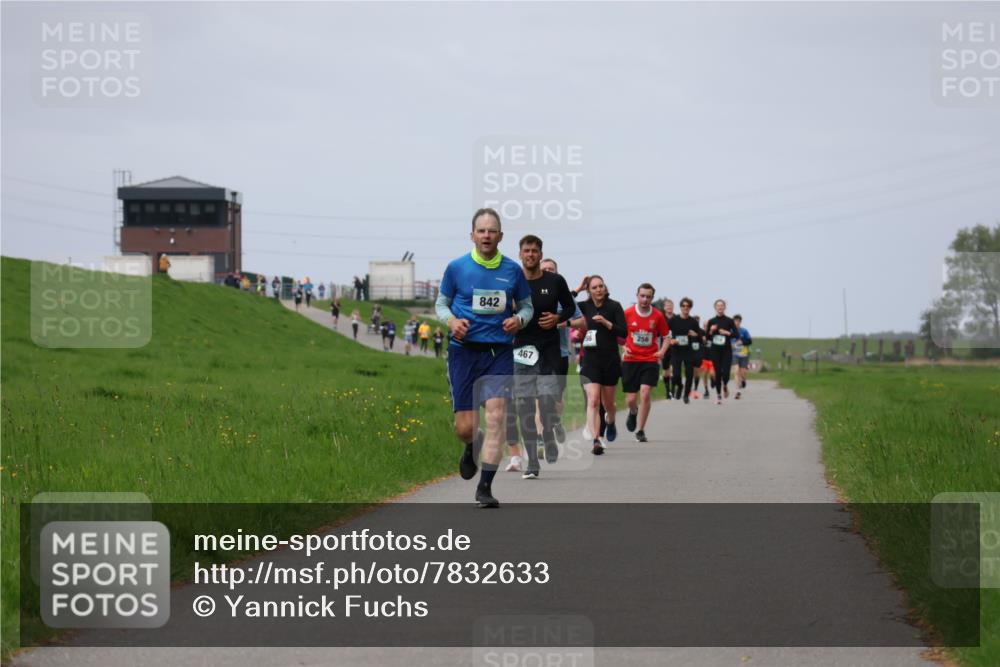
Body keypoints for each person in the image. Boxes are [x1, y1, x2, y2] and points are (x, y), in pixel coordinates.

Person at [435, 208, 532, 508]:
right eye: (481, 231)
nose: (487, 235)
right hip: (464, 353)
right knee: (465, 427)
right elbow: (441, 305)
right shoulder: (456, 268)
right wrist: (451, 322)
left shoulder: (513, 271)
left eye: (492, 231)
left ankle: (485, 488)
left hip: (498, 353)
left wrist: (520, 320)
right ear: (472, 235)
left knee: (496, 417)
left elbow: (527, 307)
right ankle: (470, 445)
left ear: (500, 236)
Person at [510, 235, 577, 479]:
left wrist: (558, 319)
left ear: (540, 254)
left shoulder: (555, 280)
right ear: (520, 254)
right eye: (526, 251)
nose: (530, 255)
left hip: (549, 350)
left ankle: (548, 431)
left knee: (547, 399)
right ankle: (532, 464)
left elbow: (569, 306)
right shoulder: (512, 281)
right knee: (525, 405)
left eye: (534, 251)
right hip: (523, 349)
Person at [578, 275, 627, 455]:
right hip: (590, 360)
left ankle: (611, 421)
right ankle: (596, 439)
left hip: (610, 359)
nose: (598, 290)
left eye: (601, 286)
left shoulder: (614, 306)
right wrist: (577, 288)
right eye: (594, 287)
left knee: (608, 404)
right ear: (589, 291)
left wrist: (607, 323)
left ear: (605, 288)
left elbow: (624, 332)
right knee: (593, 401)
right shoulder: (585, 306)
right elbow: (562, 303)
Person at [540, 258, 584, 444]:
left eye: (552, 269)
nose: (548, 271)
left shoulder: (564, 295)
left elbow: (582, 322)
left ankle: (556, 422)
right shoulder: (529, 291)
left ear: (557, 273)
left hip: (560, 353)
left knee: (555, 398)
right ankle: (541, 436)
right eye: (545, 269)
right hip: (536, 352)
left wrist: (563, 322)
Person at [622, 283, 670, 442]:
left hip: (650, 359)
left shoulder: (657, 316)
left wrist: (662, 352)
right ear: (637, 295)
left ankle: (640, 430)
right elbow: (617, 332)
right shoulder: (627, 313)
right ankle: (633, 411)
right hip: (631, 360)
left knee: (645, 392)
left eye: (648, 297)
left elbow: (666, 336)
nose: (645, 299)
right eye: (642, 296)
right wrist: (623, 346)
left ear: (652, 298)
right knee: (630, 399)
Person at [668, 297, 703, 404]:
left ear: (690, 308)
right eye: (683, 306)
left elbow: (701, 338)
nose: (685, 308)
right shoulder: (674, 320)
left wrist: (696, 335)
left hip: (688, 351)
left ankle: (686, 395)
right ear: (680, 307)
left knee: (689, 374)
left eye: (687, 306)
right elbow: (665, 332)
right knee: (676, 375)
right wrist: (671, 340)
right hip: (676, 351)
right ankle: (680, 386)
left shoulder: (693, 322)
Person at [706, 299, 737, 405]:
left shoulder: (729, 321)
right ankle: (718, 396)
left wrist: (727, 333)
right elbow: (707, 338)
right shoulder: (711, 321)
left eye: (722, 306)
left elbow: (736, 335)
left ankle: (725, 385)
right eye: (718, 306)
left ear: (724, 308)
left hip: (726, 350)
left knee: (726, 373)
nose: (720, 307)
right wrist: (711, 331)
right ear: (715, 307)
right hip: (715, 351)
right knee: (718, 373)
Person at [732, 314, 752, 399]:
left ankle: (743, 380)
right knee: (736, 372)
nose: (736, 323)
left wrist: (742, 342)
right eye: (735, 321)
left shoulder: (744, 331)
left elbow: (750, 341)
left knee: (742, 372)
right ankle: (737, 391)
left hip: (744, 354)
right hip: (734, 354)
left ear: (740, 322)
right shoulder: (730, 331)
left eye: (738, 321)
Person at [660, 299, 675, 399]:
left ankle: (672, 391)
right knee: (666, 371)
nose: (669, 307)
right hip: (664, 347)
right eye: (667, 306)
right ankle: (667, 389)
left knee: (673, 368)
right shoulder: (661, 317)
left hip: (675, 346)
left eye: (671, 306)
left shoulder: (676, 318)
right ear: (664, 307)